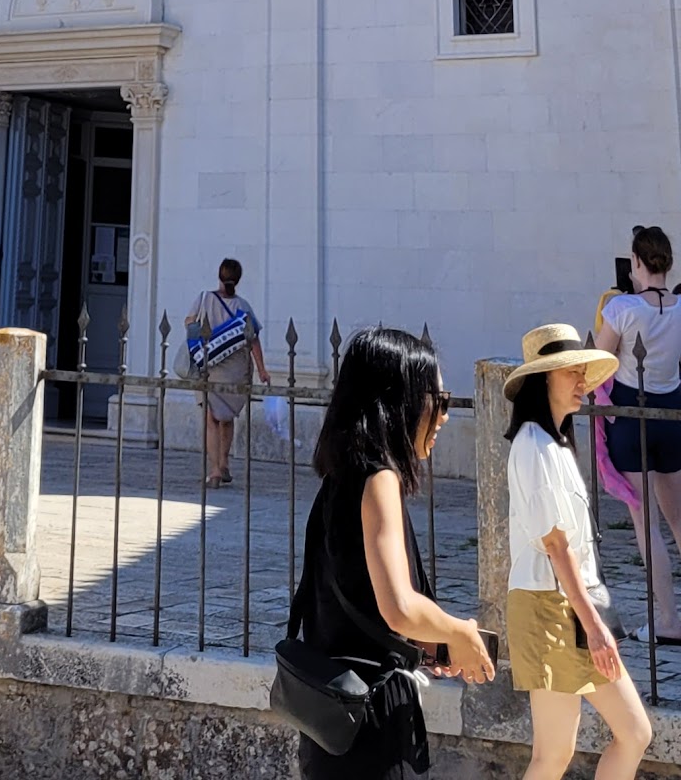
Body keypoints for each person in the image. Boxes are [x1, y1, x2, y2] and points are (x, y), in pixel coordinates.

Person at [288, 325, 494, 780]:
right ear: (400, 402)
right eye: (437, 400)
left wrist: (429, 644)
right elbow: (398, 607)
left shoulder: (338, 478)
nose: (443, 416)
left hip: (331, 715)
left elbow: (357, 598)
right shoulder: (379, 480)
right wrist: (459, 633)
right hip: (372, 718)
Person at [505, 323, 652, 780]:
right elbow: (555, 545)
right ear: (543, 378)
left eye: (582, 372)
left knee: (629, 732)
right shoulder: (535, 446)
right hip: (552, 607)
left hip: (569, 604)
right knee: (554, 755)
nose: (582, 383)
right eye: (570, 372)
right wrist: (594, 626)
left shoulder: (554, 445)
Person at [595, 227, 681, 642]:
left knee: (646, 524)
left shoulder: (623, 309)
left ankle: (668, 619)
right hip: (671, 414)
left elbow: (598, 359)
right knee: (679, 521)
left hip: (631, 418)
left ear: (637, 263)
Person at [186, 257, 270, 487]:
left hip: (209, 367)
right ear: (238, 279)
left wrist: (199, 346)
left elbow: (189, 323)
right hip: (236, 369)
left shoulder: (204, 299)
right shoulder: (243, 306)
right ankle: (224, 463)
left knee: (211, 418)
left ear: (219, 276)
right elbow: (253, 340)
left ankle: (213, 470)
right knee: (228, 418)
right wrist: (262, 370)